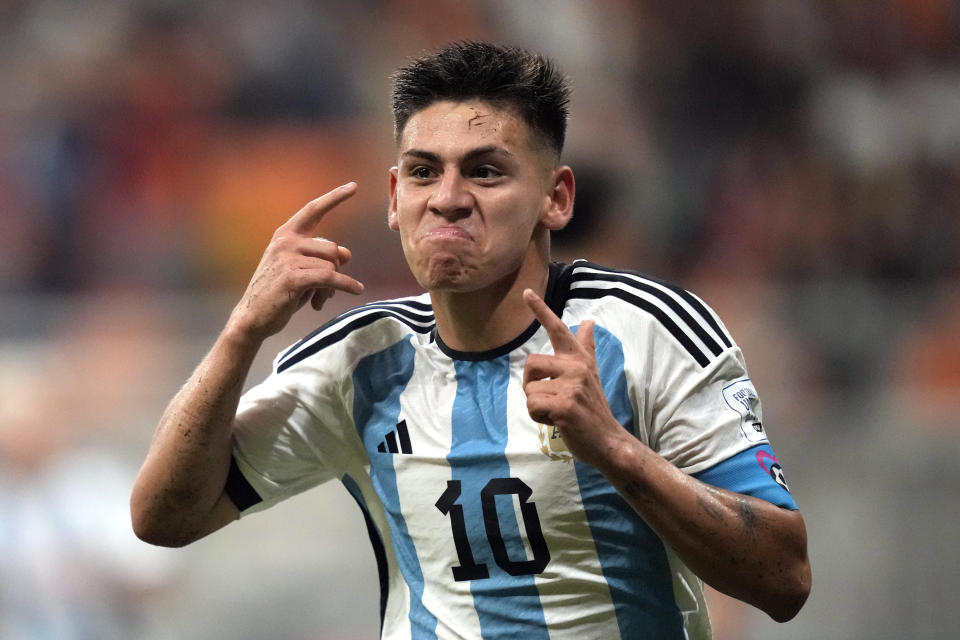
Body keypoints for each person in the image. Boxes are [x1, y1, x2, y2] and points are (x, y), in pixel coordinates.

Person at [131, 41, 811, 638]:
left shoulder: (647, 330)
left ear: (557, 197)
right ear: (395, 198)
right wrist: (242, 331)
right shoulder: (361, 359)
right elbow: (164, 517)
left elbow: (784, 576)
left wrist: (613, 451)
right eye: (424, 172)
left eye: (485, 171)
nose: (448, 197)